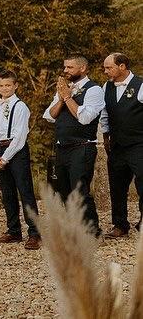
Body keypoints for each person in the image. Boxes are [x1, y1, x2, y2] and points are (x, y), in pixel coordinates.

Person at [43, 55, 103, 236]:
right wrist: (61, 99)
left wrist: (67, 97)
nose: (65, 71)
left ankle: (92, 230)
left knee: (79, 189)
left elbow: (84, 118)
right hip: (62, 147)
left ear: (82, 68)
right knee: (63, 190)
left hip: (82, 146)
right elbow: (49, 116)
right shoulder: (64, 89)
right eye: (65, 67)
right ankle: (75, 227)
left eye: (69, 67)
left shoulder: (94, 90)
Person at [0, 70, 40, 250]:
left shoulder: (21, 107)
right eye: (1, 85)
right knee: (7, 192)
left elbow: (20, 136)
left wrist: (5, 157)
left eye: (8, 85)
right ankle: (14, 230)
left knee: (25, 191)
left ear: (15, 86)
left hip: (16, 150)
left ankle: (34, 233)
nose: (5, 88)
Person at [99, 52, 143, 238]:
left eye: (109, 67)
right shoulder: (106, 86)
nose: (105, 71)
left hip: (138, 144)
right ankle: (120, 224)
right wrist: (106, 136)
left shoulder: (141, 85)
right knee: (117, 185)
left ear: (122, 66)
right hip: (116, 145)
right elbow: (105, 113)